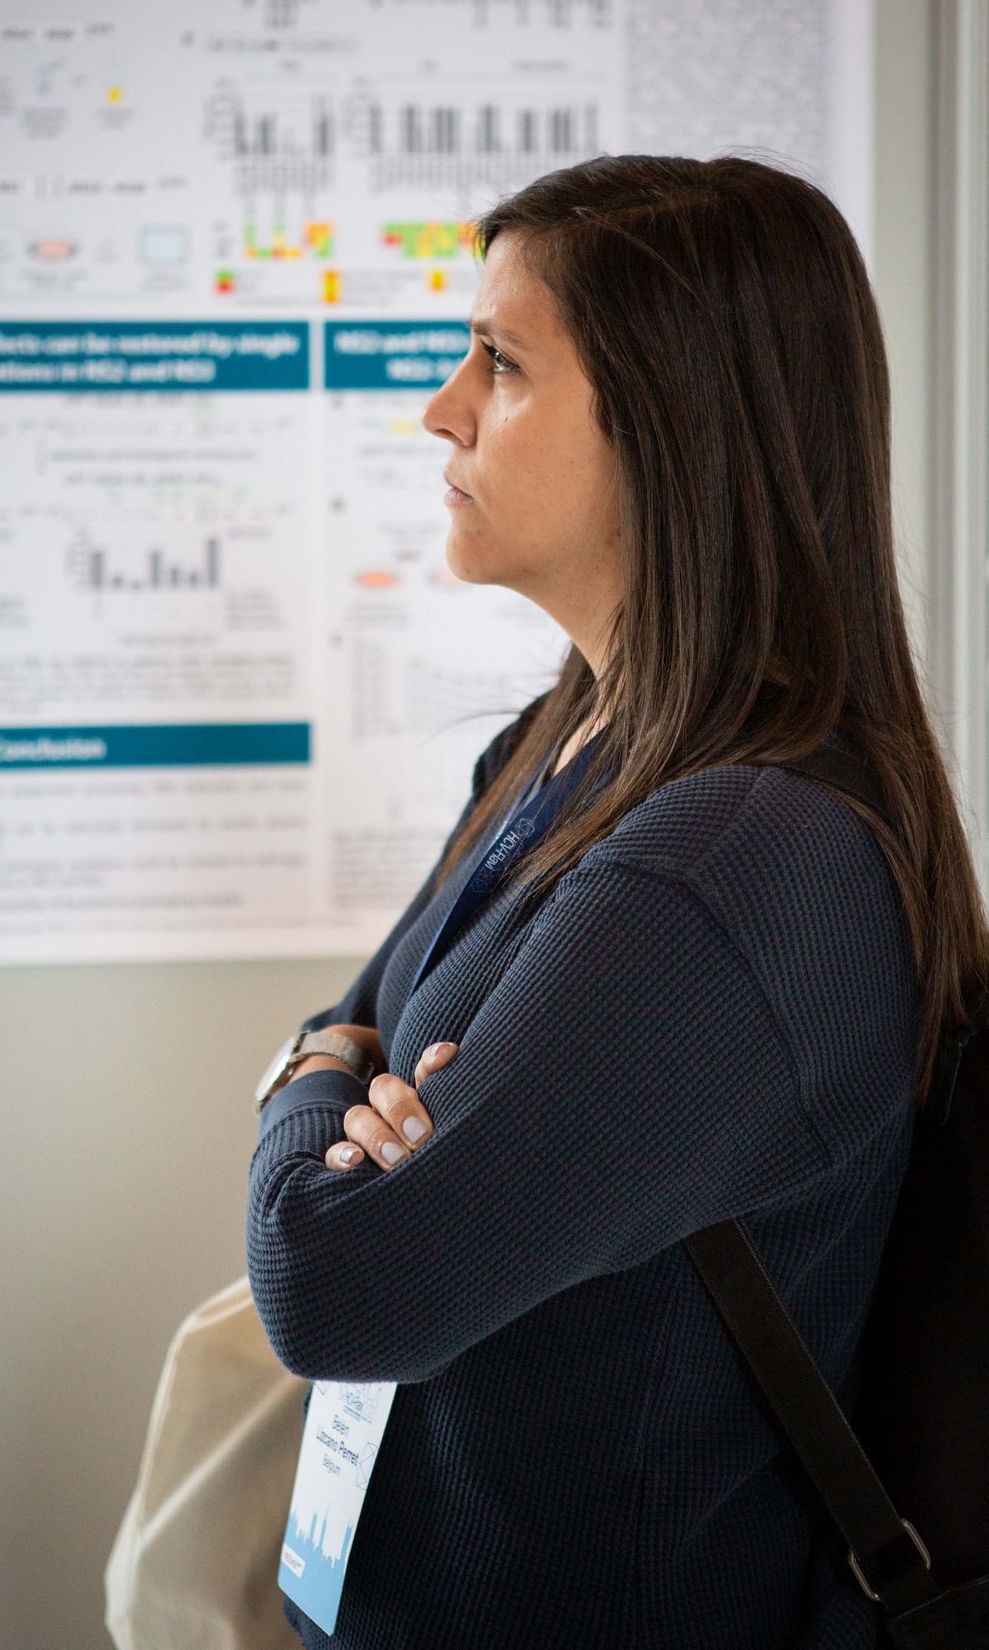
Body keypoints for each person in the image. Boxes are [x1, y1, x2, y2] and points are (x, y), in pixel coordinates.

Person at [246, 154, 989, 1649]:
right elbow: (356, 1022)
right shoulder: (572, 732)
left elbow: (335, 1284)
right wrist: (343, 1073)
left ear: (672, 428)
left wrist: (318, 1081)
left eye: (502, 364)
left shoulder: (736, 865)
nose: (442, 409)